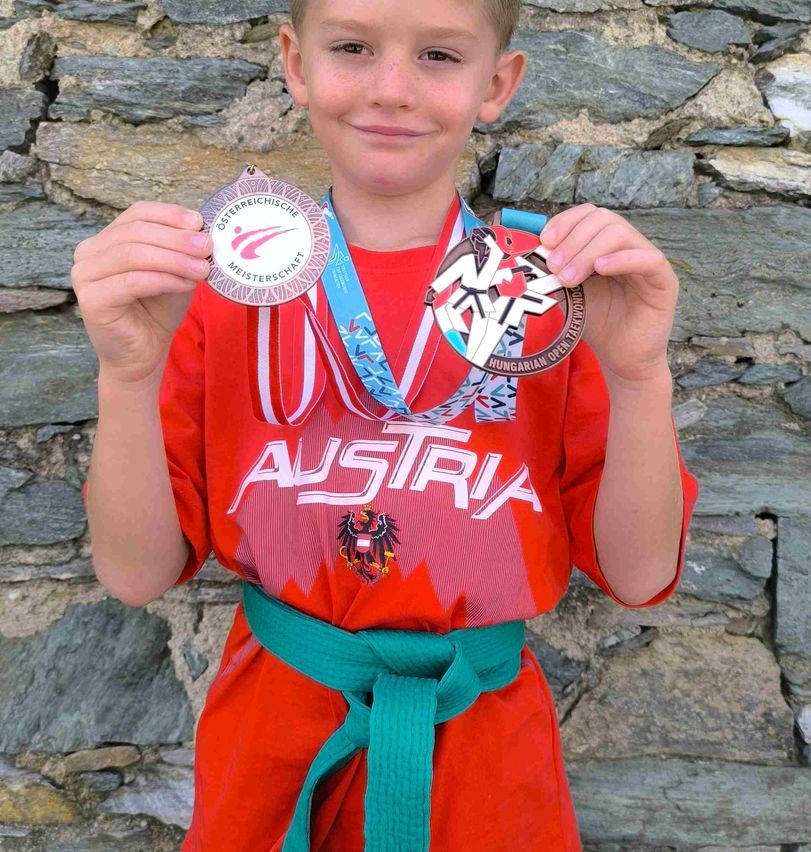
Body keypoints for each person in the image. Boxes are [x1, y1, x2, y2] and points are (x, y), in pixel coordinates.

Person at [74, 0, 700, 848]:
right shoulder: (219, 288)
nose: (392, 88)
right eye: (353, 48)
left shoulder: (549, 300)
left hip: (485, 754)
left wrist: (638, 376)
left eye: (439, 55)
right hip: (276, 746)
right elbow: (138, 572)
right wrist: (127, 374)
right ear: (296, 63)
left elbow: (637, 573)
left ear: (498, 82)